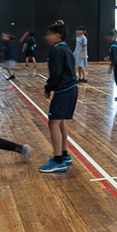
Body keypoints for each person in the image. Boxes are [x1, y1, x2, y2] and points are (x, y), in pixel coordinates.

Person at [40, 22, 78, 173]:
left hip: (63, 90)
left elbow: (55, 74)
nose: (46, 37)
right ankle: (63, 154)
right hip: (71, 89)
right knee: (61, 122)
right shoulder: (65, 48)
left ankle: (58, 161)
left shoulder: (56, 50)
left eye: (49, 34)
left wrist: (48, 88)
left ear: (57, 35)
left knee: (53, 123)